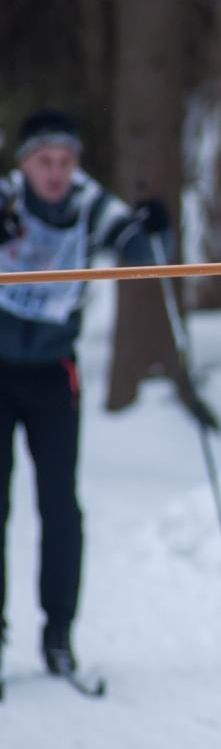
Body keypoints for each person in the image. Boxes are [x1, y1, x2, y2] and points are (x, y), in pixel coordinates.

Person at [0, 109, 168, 680]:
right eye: (45, 162)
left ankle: (58, 636)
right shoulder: (6, 201)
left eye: (66, 162)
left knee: (60, 507)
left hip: (53, 371)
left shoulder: (89, 203)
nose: (56, 173)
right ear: (25, 165)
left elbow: (136, 248)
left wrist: (150, 226)